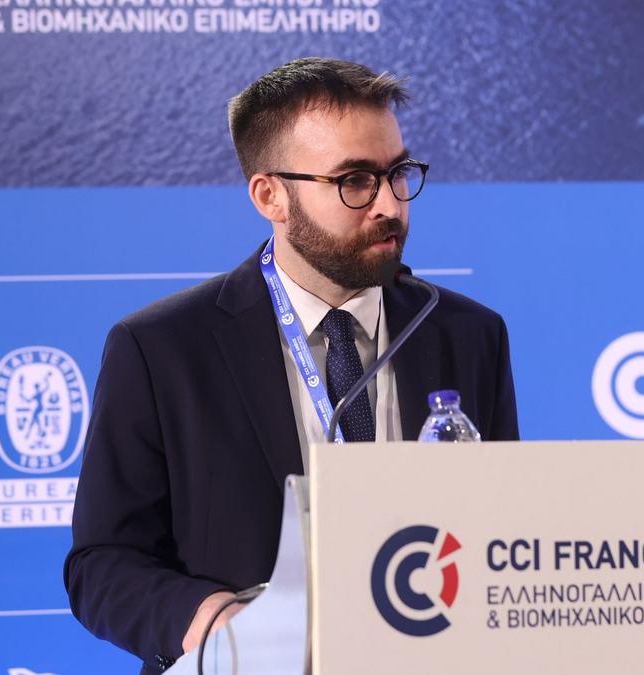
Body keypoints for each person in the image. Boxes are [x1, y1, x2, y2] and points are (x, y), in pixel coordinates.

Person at [64, 57, 519, 674]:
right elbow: (102, 565)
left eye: (398, 173)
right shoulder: (160, 349)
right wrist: (218, 623)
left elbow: (501, 535)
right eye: (355, 181)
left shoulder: (468, 334)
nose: (389, 204)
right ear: (270, 196)